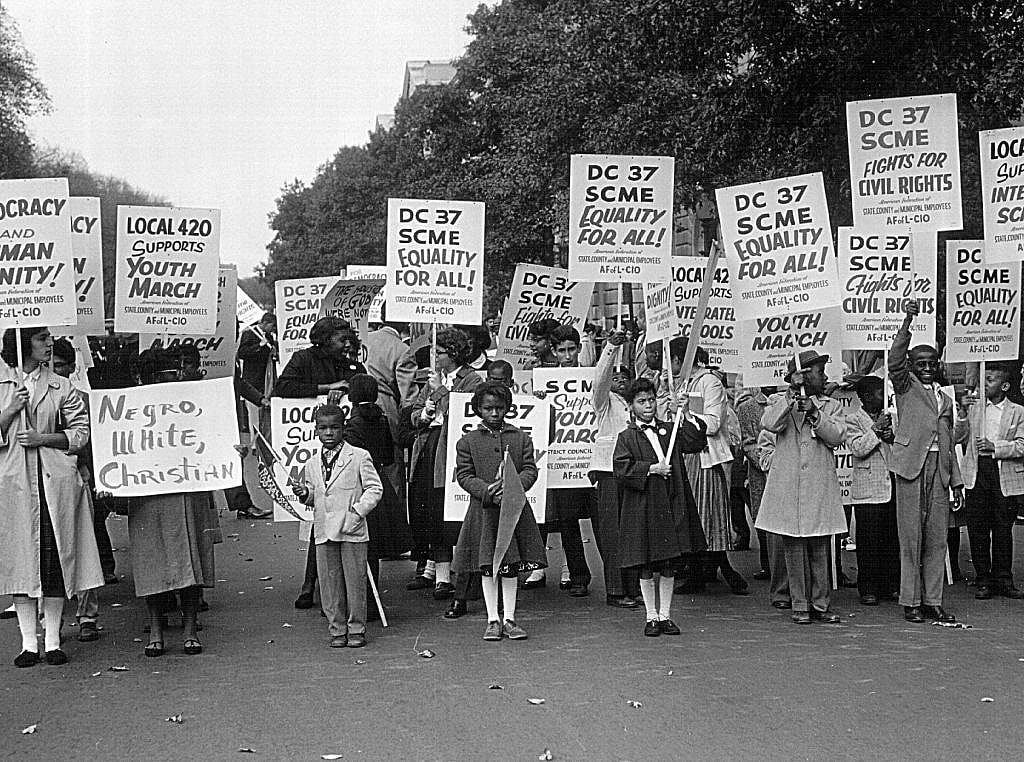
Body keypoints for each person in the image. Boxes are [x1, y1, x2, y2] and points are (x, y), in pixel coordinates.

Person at [0, 327, 104, 667]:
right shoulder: (4, 384)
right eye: (42, 338)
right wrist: (9, 411)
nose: (49, 344)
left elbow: (81, 433)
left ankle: (54, 638)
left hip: (53, 484)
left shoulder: (62, 386)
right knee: (21, 562)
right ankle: (29, 642)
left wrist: (45, 438)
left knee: (55, 559)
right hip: (14, 486)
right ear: (23, 341)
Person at [127, 345, 218, 657]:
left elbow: (214, 438)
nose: (175, 378)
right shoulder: (129, 407)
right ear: (148, 378)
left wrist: (230, 453)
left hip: (186, 490)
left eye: (177, 372)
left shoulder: (195, 401)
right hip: (148, 493)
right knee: (151, 561)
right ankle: (155, 626)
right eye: (167, 374)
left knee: (191, 559)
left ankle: (190, 627)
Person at [273, 317, 366, 610]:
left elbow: (363, 387)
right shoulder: (303, 359)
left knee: (337, 520)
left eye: (349, 338)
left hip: (344, 448)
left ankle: (334, 588)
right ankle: (310, 584)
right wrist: (326, 387)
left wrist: (349, 384)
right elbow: (283, 387)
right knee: (320, 522)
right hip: (313, 446)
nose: (347, 344)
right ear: (324, 340)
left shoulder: (351, 364)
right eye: (341, 339)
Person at [755, 350, 846, 624]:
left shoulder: (831, 405)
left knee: (820, 547)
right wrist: (790, 397)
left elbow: (837, 436)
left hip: (818, 485)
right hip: (789, 487)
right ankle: (800, 605)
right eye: (819, 371)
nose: (825, 376)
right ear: (804, 376)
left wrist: (816, 414)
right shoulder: (779, 401)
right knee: (793, 548)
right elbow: (769, 424)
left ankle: (821, 604)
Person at [613, 378, 708, 637]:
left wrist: (685, 412)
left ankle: (665, 614)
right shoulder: (627, 437)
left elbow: (695, 441)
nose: (648, 406)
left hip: (670, 501)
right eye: (641, 402)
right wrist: (651, 469)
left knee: (669, 562)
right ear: (631, 407)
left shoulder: (671, 428)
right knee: (645, 563)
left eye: (651, 400)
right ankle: (650, 615)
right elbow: (621, 469)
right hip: (644, 505)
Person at [888, 303, 964, 624]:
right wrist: (909, 320)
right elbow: (894, 360)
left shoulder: (945, 399)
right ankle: (911, 601)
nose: (928, 367)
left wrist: (956, 481)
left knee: (937, 538)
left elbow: (947, 441)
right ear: (912, 367)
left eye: (932, 362)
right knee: (911, 537)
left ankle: (933, 600)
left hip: (939, 471)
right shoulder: (906, 387)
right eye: (921, 363)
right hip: (910, 468)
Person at [453, 382, 545, 641]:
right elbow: (464, 475)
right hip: (484, 512)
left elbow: (530, 469)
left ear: (508, 408)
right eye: (488, 408)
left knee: (510, 565)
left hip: (513, 510)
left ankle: (510, 618)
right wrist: (487, 491)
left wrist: (514, 488)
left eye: (499, 408)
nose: (494, 413)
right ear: (478, 410)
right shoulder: (467, 441)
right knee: (487, 566)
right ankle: (492, 618)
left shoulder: (520, 437)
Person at [292, 405, 383, 648]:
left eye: (334, 427)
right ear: (316, 431)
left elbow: (375, 488)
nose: (329, 432)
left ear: (343, 428)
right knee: (330, 583)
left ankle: (356, 628)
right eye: (323, 428)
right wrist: (305, 494)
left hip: (351, 527)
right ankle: (337, 629)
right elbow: (315, 494)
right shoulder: (312, 463)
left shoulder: (359, 456)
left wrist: (358, 510)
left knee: (355, 582)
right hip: (324, 529)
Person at [408, 328, 482, 598]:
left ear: (453, 354)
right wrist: (424, 413)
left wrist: (440, 393)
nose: (435, 357)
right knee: (432, 513)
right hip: (431, 446)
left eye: (438, 353)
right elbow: (414, 415)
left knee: (454, 514)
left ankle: (465, 574)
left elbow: (466, 414)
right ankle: (440, 576)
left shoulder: (471, 379)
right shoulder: (432, 380)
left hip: (454, 450)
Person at [50, 339, 115, 643]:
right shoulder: (34, 397)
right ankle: (52, 623)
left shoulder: (86, 401)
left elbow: (96, 444)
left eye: (60, 365)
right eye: (49, 365)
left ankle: (87, 615)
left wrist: (101, 480)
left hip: (80, 477)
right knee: (50, 553)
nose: (54, 370)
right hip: (46, 482)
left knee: (84, 547)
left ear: (72, 367)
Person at [676, 342, 748, 595]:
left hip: (706, 458)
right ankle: (708, 570)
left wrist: (686, 412)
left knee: (708, 515)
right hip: (688, 457)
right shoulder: (683, 384)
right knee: (695, 515)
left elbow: (714, 423)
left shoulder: (710, 383)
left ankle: (720, 570)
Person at [526, 325, 592, 596]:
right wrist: (538, 400)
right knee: (560, 518)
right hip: (558, 460)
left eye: (572, 349)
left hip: (586, 458)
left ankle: (589, 574)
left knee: (585, 521)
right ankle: (565, 572)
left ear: (579, 349)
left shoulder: (591, 375)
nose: (567, 355)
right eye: (561, 350)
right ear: (553, 351)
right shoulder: (544, 380)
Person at [343, 374, 412, 619]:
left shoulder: (351, 425)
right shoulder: (381, 420)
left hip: (358, 484)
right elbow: (387, 455)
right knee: (373, 549)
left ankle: (357, 601)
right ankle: (372, 601)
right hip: (379, 482)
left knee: (356, 545)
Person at [955, 363, 1024, 600]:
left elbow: (1022, 444)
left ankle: (1004, 579)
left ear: (1004, 386)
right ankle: (983, 578)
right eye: (984, 380)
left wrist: (997, 447)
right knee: (978, 529)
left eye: (990, 380)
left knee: (1003, 529)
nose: (984, 385)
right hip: (977, 473)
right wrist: (963, 414)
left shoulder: (1018, 411)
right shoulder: (974, 409)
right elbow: (957, 436)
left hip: (1002, 474)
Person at [588, 329, 640, 608]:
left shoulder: (637, 406)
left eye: (625, 377)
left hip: (634, 471)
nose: (619, 382)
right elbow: (600, 380)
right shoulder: (604, 403)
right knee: (613, 533)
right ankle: (616, 590)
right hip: (609, 472)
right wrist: (610, 348)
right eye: (615, 378)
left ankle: (633, 587)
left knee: (633, 530)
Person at [845, 375, 900, 606]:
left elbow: (901, 448)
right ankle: (867, 587)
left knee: (890, 539)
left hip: (891, 485)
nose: (884, 399)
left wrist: (892, 437)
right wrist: (876, 432)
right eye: (880, 394)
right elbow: (858, 448)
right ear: (866, 397)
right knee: (868, 542)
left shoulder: (892, 418)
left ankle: (890, 585)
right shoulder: (853, 419)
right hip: (868, 489)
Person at [737, 386, 776, 583]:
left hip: (786, 472)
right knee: (762, 517)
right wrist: (764, 462)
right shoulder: (747, 408)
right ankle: (768, 565)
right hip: (761, 472)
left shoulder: (794, 401)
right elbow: (748, 443)